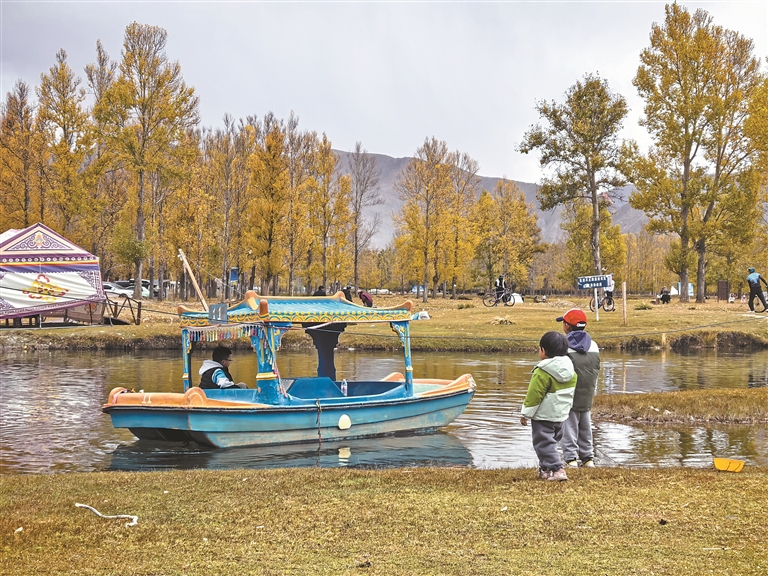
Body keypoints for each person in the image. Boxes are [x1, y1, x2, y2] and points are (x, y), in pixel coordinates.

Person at [520, 331, 577, 481]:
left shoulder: (542, 372)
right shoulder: (571, 370)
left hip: (544, 416)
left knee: (543, 444)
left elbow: (534, 395)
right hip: (561, 415)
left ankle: (557, 469)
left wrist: (525, 414)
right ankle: (546, 469)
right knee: (551, 443)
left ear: (543, 350)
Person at [556, 308, 600, 468]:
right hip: (588, 393)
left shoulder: (563, 346)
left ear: (567, 326)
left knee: (569, 427)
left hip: (568, 395)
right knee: (585, 425)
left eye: (563, 323)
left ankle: (571, 459)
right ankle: (588, 459)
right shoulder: (594, 345)